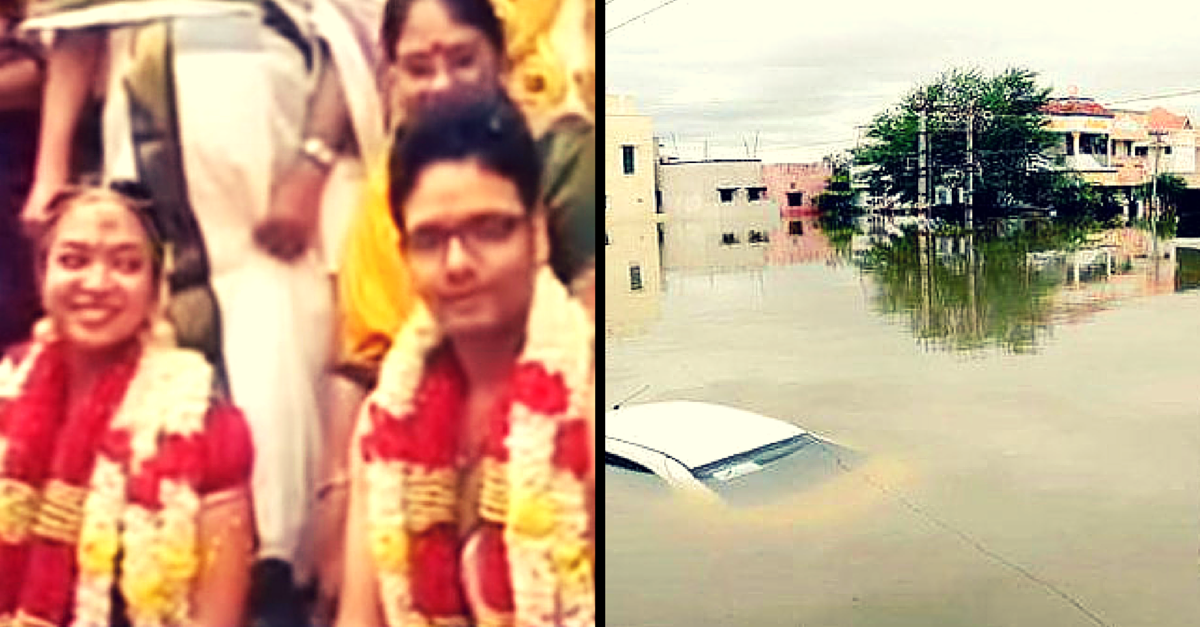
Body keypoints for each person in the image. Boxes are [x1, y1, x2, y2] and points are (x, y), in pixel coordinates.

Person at [19, 2, 345, 617]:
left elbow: (352, 31)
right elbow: (75, 21)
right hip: (140, 118)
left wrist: (312, 166)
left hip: (266, 202)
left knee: (270, 471)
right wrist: (51, 165)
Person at [314, 0, 594, 609]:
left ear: (537, 232)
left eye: (491, 229)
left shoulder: (590, 405)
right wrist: (338, 495)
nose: (459, 263)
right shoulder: (388, 419)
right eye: (431, 240)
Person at [0, 184, 255, 626]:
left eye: (126, 264)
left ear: (157, 288)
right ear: (42, 278)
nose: (97, 284)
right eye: (73, 261)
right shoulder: (7, 391)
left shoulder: (202, 423)